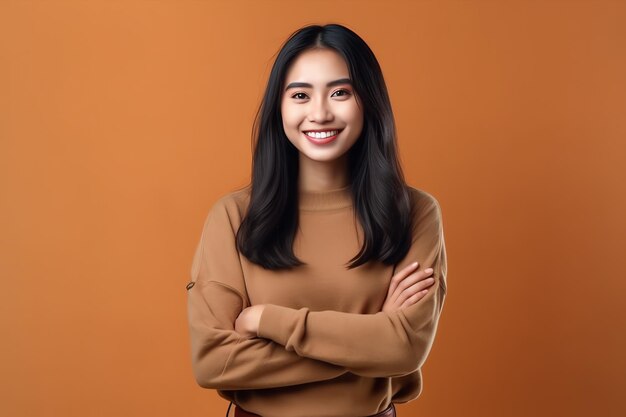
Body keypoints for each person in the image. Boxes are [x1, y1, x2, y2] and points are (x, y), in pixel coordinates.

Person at [185, 23, 448, 417]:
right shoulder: (234, 216)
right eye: (301, 95)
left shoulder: (414, 212)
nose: (320, 113)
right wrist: (370, 347)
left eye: (341, 92)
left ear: (369, 101)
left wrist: (267, 320)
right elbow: (212, 362)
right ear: (281, 106)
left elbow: (405, 348)